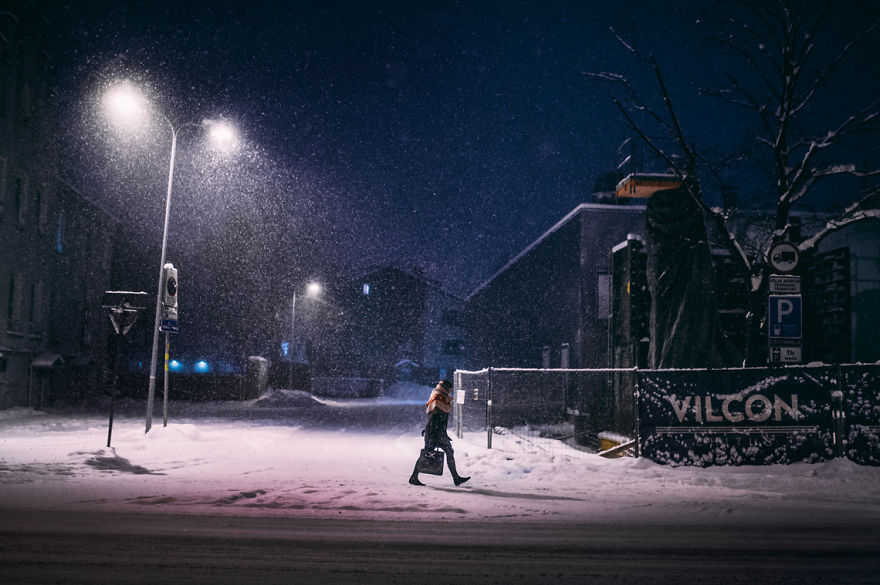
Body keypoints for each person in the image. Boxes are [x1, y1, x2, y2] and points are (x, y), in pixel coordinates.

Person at [409, 379, 470, 486]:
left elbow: (434, 418)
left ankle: (456, 478)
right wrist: (432, 434)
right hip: (435, 433)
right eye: (449, 389)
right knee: (430, 453)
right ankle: (414, 477)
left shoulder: (441, 398)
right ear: (445, 389)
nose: (450, 392)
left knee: (443, 452)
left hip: (437, 432)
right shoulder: (438, 398)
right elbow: (433, 417)